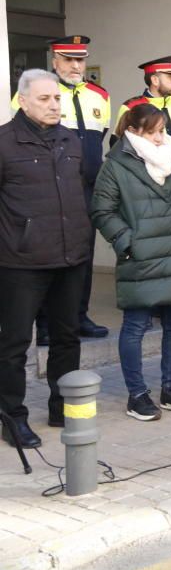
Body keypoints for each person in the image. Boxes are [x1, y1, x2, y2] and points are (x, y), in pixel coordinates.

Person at [91, 104, 171, 421]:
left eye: (163, 130)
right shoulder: (116, 165)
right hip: (142, 259)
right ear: (136, 131)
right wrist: (127, 243)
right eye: (153, 131)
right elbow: (102, 211)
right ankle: (136, 395)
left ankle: (170, 388)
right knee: (135, 327)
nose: (160, 137)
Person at [0, 70, 92, 448]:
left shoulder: (70, 139)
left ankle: (61, 406)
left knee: (68, 338)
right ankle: (12, 417)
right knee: (15, 344)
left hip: (71, 259)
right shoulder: (5, 143)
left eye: (57, 98)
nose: (54, 105)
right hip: (21, 262)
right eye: (44, 99)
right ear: (23, 101)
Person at [10, 36, 111, 343]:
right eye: (69, 59)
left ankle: (79, 316)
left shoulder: (100, 95)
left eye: (80, 59)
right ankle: (44, 324)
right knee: (46, 257)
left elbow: (97, 139)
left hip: (86, 190)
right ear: (55, 61)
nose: (76, 65)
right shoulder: (37, 93)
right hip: (46, 191)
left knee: (83, 256)